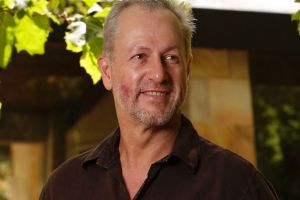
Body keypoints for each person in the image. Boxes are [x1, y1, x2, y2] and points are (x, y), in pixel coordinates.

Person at [39, 0, 279, 199]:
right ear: (107, 71)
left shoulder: (237, 185)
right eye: (140, 56)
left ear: (187, 69)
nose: (158, 73)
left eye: (171, 57)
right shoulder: (64, 188)